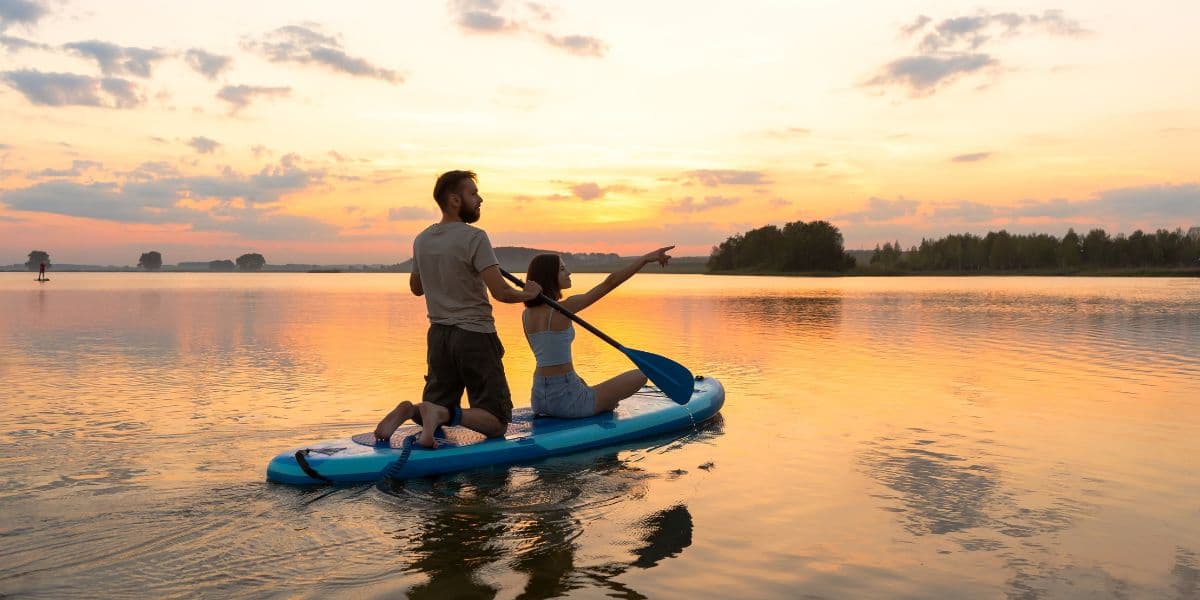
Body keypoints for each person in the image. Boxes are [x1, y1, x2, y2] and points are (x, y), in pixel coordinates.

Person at [373, 170, 542, 447]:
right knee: (498, 420)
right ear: (454, 199)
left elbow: (417, 288)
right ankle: (444, 412)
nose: (480, 199)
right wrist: (529, 293)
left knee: (434, 407)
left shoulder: (422, 239)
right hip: (474, 335)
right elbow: (500, 292)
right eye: (473, 194)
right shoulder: (475, 238)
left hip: (439, 336)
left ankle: (412, 410)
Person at [521, 245, 673, 418]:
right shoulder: (564, 308)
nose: (569, 273)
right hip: (567, 400)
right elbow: (610, 283)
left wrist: (576, 381)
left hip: (539, 397)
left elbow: (549, 358)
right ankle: (601, 403)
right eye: (562, 269)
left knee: (590, 389)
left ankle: (601, 401)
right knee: (641, 375)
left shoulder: (526, 315)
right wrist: (645, 259)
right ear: (549, 277)